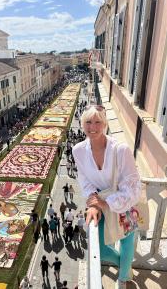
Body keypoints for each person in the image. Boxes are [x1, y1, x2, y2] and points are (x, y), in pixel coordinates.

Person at [72, 105, 141, 289]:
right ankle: (124, 265)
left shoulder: (121, 149)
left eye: (97, 122)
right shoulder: (77, 150)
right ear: (82, 124)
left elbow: (133, 186)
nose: (92, 126)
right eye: (88, 121)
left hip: (125, 203)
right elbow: (84, 179)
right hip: (101, 205)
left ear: (105, 124)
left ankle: (124, 277)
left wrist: (107, 202)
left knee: (127, 242)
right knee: (101, 249)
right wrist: (94, 201)